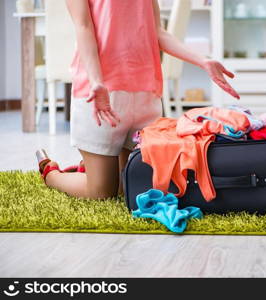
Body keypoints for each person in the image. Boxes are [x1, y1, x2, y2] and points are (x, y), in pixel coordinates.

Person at [36, 0, 239, 199]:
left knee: (132, 187)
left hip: (145, 94)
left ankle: (93, 167)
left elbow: (157, 32)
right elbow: (84, 27)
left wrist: (202, 61)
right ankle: (51, 174)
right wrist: (97, 81)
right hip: (102, 97)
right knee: (101, 193)